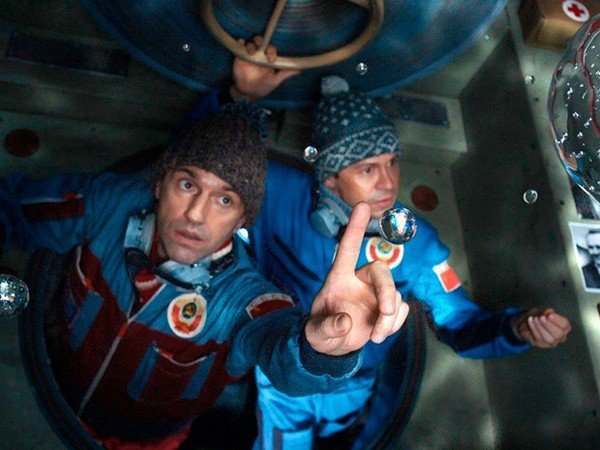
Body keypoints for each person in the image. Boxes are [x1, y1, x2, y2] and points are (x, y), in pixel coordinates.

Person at [183, 39, 572, 449]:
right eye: (367, 169)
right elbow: (194, 168)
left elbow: (458, 325)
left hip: (354, 387)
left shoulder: (415, 243)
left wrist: (516, 328)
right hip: (283, 369)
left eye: (391, 162)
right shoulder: (277, 194)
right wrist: (241, 96)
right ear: (330, 177)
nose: (388, 182)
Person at [0, 104, 409, 449]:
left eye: (224, 200)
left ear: (242, 219)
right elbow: (13, 208)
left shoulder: (245, 299)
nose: (196, 214)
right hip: (45, 393)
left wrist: (322, 350)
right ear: (159, 184)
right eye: (186, 184)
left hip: (150, 442)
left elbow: (281, 352)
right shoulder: (108, 204)